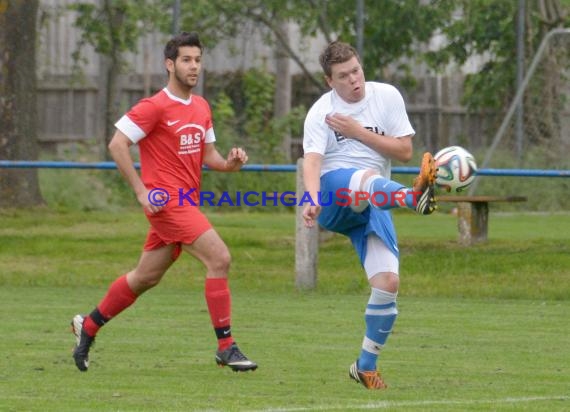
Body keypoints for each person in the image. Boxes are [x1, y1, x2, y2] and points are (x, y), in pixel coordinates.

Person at [71, 31, 257, 373]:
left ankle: (90, 325)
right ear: (169, 64)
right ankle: (226, 347)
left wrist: (230, 163)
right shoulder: (154, 106)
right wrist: (142, 191)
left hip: (185, 202)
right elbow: (117, 144)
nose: (194, 66)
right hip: (166, 202)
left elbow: (209, 155)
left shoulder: (201, 106)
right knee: (220, 257)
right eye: (186, 59)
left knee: (144, 277)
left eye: (198, 60)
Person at [302, 41, 437, 389]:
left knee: (387, 285)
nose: (354, 80)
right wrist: (312, 196)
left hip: (374, 199)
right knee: (361, 180)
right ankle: (412, 196)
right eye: (344, 76)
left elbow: (406, 150)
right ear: (329, 80)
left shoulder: (386, 97)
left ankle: (364, 365)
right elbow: (314, 160)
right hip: (336, 196)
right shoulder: (321, 113)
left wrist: (357, 132)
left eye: (356, 71)